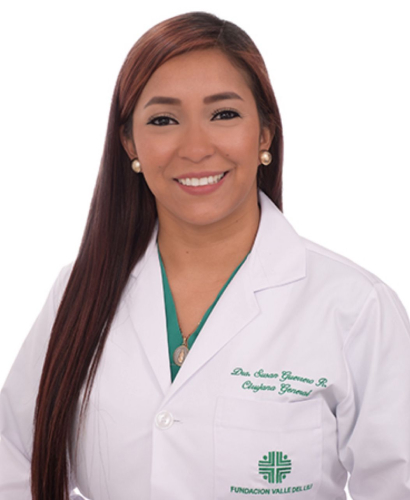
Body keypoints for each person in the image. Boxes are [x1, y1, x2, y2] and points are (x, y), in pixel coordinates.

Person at [0, 10, 409, 500]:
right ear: (130, 143)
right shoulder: (79, 292)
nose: (195, 148)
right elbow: (12, 457)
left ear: (265, 133)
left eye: (223, 114)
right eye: (164, 120)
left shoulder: (356, 308)